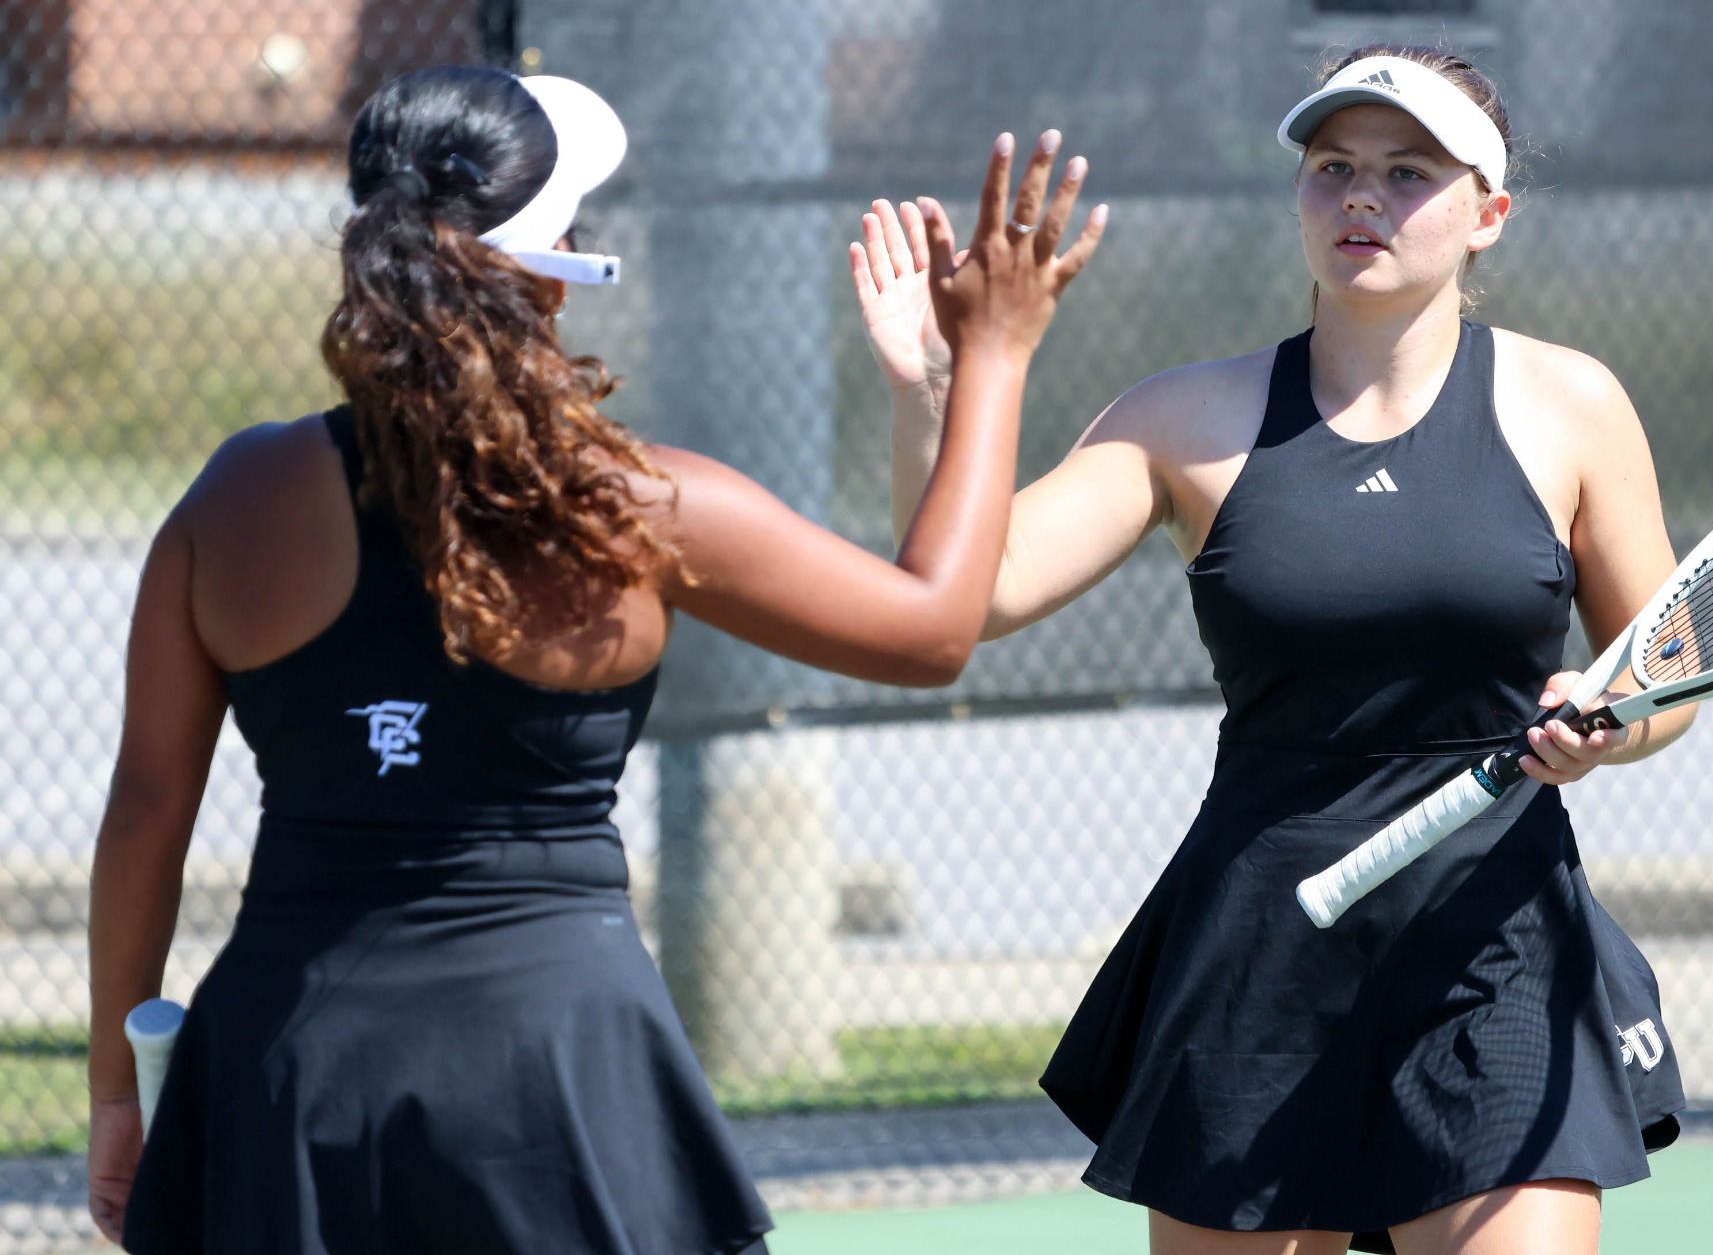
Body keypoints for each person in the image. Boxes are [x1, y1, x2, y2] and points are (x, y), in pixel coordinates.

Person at [87, 64, 1105, 1253]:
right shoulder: (638, 503)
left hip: (288, 1068)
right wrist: (989, 354)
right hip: (556, 1072)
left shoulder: (235, 496)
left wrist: (116, 1091)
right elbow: (935, 629)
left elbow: (148, 808)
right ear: (550, 264)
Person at [852, 44, 1691, 1255]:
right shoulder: (1184, 418)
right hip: (1258, 950)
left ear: (1486, 215)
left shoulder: (1571, 406)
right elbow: (965, 593)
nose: (1361, 196)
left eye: (1407, 173)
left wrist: (1611, 728)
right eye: (1332, 167)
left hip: (1493, 941)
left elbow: (1667, 681)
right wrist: (935, 387)